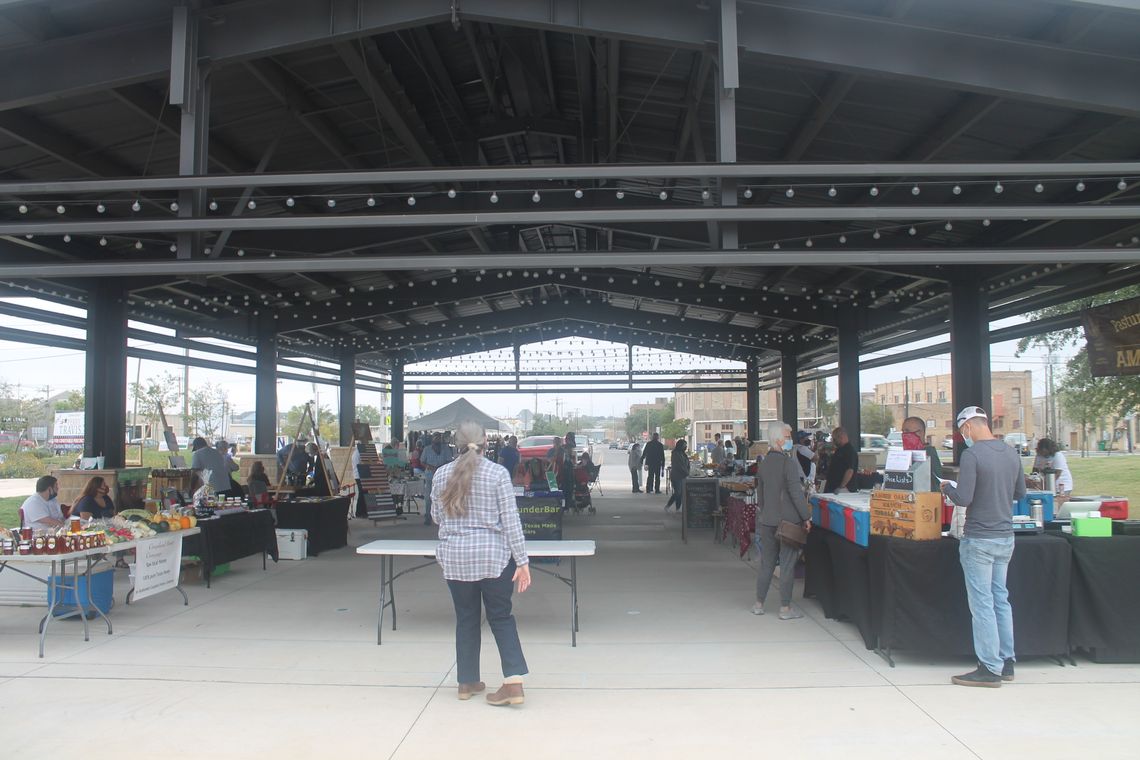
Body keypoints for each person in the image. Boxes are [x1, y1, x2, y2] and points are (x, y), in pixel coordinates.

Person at [430, 420, 531, 707]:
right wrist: (522, 561)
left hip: (455, 558)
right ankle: (513, 684)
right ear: (487, 442)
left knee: (466, 618)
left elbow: (437, 517)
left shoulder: (441, 475)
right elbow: (511, 522)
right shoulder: (497, 474)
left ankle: (466, 681)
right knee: (501, 617)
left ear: (455, 443)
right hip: (493, 558)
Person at [942, 406, 1025, 688]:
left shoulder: (972, 454)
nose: (963, 436)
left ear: (967, 428)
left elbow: (964, 498)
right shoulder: (1011, 452)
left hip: (979, 538)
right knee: (1001, 598)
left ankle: (989, 667)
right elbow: (1020, 493)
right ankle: (1007, 660)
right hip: (1006, 536)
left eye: (961, 431)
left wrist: (947, 489)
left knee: (982, 603)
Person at [752, 422, 813, 620]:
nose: (790, 440)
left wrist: (766, 511)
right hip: (788, 522)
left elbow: (760, 495)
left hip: (768, 521)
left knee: (767, 563)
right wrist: (806, 516)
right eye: (787, 436)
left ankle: (759, 603)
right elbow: (796, 493)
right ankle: (785, 608)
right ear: (778, 439)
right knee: (787, 565)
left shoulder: (763, 463)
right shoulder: (788, 463)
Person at [421, 432, 454, 526]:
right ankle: (428, 516)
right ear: (432, 439)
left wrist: (440, 467)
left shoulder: (446, 448)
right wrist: (430, 467)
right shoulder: (427, 449)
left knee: (444, 497)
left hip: (443, 476)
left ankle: (444, 517)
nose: (437, 439)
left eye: (439, 438)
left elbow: (449, 461)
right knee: (428, 498)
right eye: (436, 438)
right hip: (429, 476)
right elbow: (422, 461)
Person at [901, 416, 943, 489]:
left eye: (907, 431)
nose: (904, 435)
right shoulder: (907, 455)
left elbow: (937, 485)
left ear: (920, 433)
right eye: (903, 431)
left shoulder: (929, 455)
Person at [823, 427, 856, 493]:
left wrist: (841, 487)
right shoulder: (840, 450)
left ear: (841, 437)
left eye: (835, 439)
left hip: (841, 489)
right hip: (832, 487)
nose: (834, 442)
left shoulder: (849, 451)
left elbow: (850, 470)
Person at [664, 439, 691, 511]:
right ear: (680, 446)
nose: (685, 447)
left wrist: (688, 471)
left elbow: (687, 464)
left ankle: (678, 508)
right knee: (678, 492)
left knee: (681, 493)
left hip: (683, 476)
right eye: (684, 445)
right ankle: (668, 505)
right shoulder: (675, 453)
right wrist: (687, 473)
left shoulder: (683, 454)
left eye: (686, 445)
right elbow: (679, 466)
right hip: (676, 476)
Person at [558, 433, 577, 512]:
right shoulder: (570, 447)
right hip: (567, 471)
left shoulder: (564, 447)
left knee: (564, 488)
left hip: (563, 470)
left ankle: (565, 505)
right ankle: (566, 505)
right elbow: (573, 460)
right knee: (568, 489)